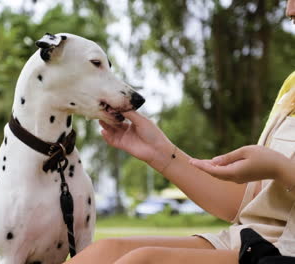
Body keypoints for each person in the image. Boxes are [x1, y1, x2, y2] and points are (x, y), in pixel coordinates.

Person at [65, 1, 295, 263]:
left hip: (284, 254)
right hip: (249, 240)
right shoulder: (291, 88)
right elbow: (245, 205)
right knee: (104, 253)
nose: (289, 9)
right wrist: (161, 154)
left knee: (143, 261)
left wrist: (280, 168)